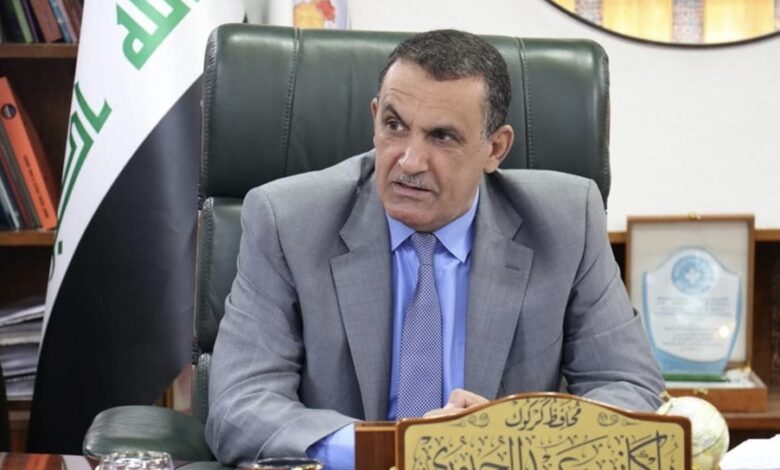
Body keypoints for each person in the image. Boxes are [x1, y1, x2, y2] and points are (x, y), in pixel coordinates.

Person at [205, 29, 664, 469]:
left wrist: (510, 441)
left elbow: (629, 388)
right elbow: (239, 405)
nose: (409, 161)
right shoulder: (288, 221)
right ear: (374, 118)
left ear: (495, 149)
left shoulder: (566, 223)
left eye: (442, 137)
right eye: (394, 126)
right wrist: (394, 449)